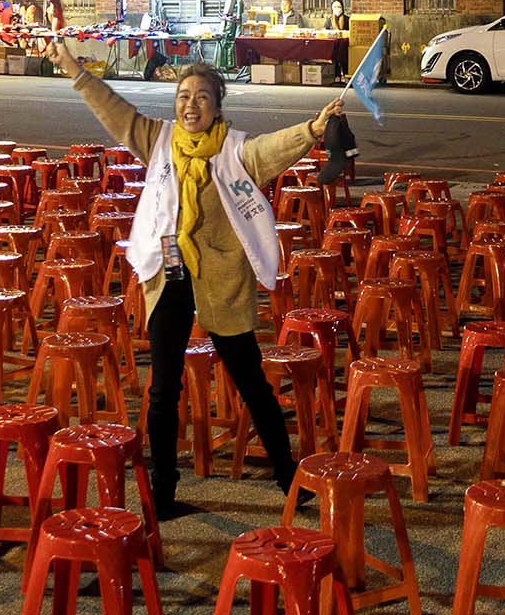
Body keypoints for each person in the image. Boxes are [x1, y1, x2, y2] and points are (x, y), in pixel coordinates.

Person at [47, 37, 344, 513]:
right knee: (163, 387)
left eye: (202, 97)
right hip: (168, 269)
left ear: (217, 105)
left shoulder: (235, 150)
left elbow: (273, 149)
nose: (191, 105)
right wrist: (75, 71)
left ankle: (288, 476)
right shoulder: (158, 139)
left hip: (221, 275)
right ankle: (163, 491)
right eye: (184, 96)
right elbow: (115, 111)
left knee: (250, 380)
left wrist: (312, 128)